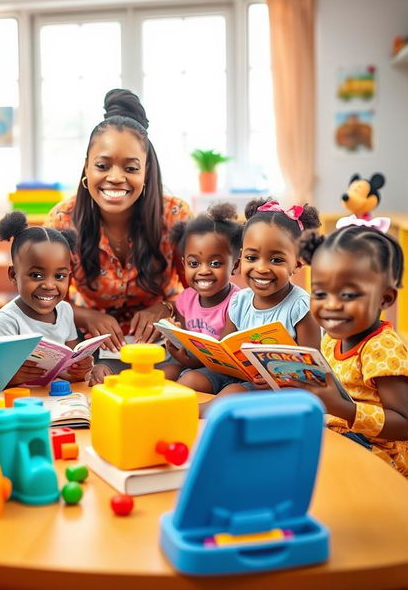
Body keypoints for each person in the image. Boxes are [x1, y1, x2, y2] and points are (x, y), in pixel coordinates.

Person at [44, 88, 192, 376]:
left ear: (146, 172)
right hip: (90, 350)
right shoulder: (62, 220)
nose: (115, 177)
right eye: (102, 165)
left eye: (131, 167)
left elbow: (202, 291)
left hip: (165, 352)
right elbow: (40, 296)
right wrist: (86, 315)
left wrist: (165, 309)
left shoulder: (176, 217)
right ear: (87, 167)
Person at [294, 224, 408, 484]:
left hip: (381, 455)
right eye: (320, 293)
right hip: (338, 435)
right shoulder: (330, 340)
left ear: (385, 299)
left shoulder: (382, 348)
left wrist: (343, 408)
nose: (331, 305)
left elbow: (403, 424)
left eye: (348, 294)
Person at [203, 198, 322, 404]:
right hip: (239, 376)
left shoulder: (301, 307)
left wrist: (280, 379)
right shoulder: (239, 300)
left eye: (276, 260)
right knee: (192, 378)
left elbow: (313, 373)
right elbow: (226, 352)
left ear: (297, 262)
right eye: (252, 258)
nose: (261, 268)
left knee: (233, 392)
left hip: (277, 388)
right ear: (241, 257)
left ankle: (196, 415)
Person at [0, 211, 95, 384]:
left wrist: (80, 370)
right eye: (37, 275)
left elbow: (69, 369)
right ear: (13, 274)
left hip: (57, 400)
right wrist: (12, 377)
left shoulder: (65, 310)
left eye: (60, 276)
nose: (49, 285)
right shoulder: (7, 320)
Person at [161, 203, 243, 392]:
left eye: (215, 263)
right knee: (163, 374)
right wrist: (173, 335)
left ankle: (183, 411)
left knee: (190, 380)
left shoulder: (238, 301)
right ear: (184, 264)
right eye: (194, 263)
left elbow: (224, 359)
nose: (203, 271)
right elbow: (185, 338)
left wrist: (189, 360)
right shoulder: (185, 299)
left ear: (234, 264)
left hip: (223, 372)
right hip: (192, 362)